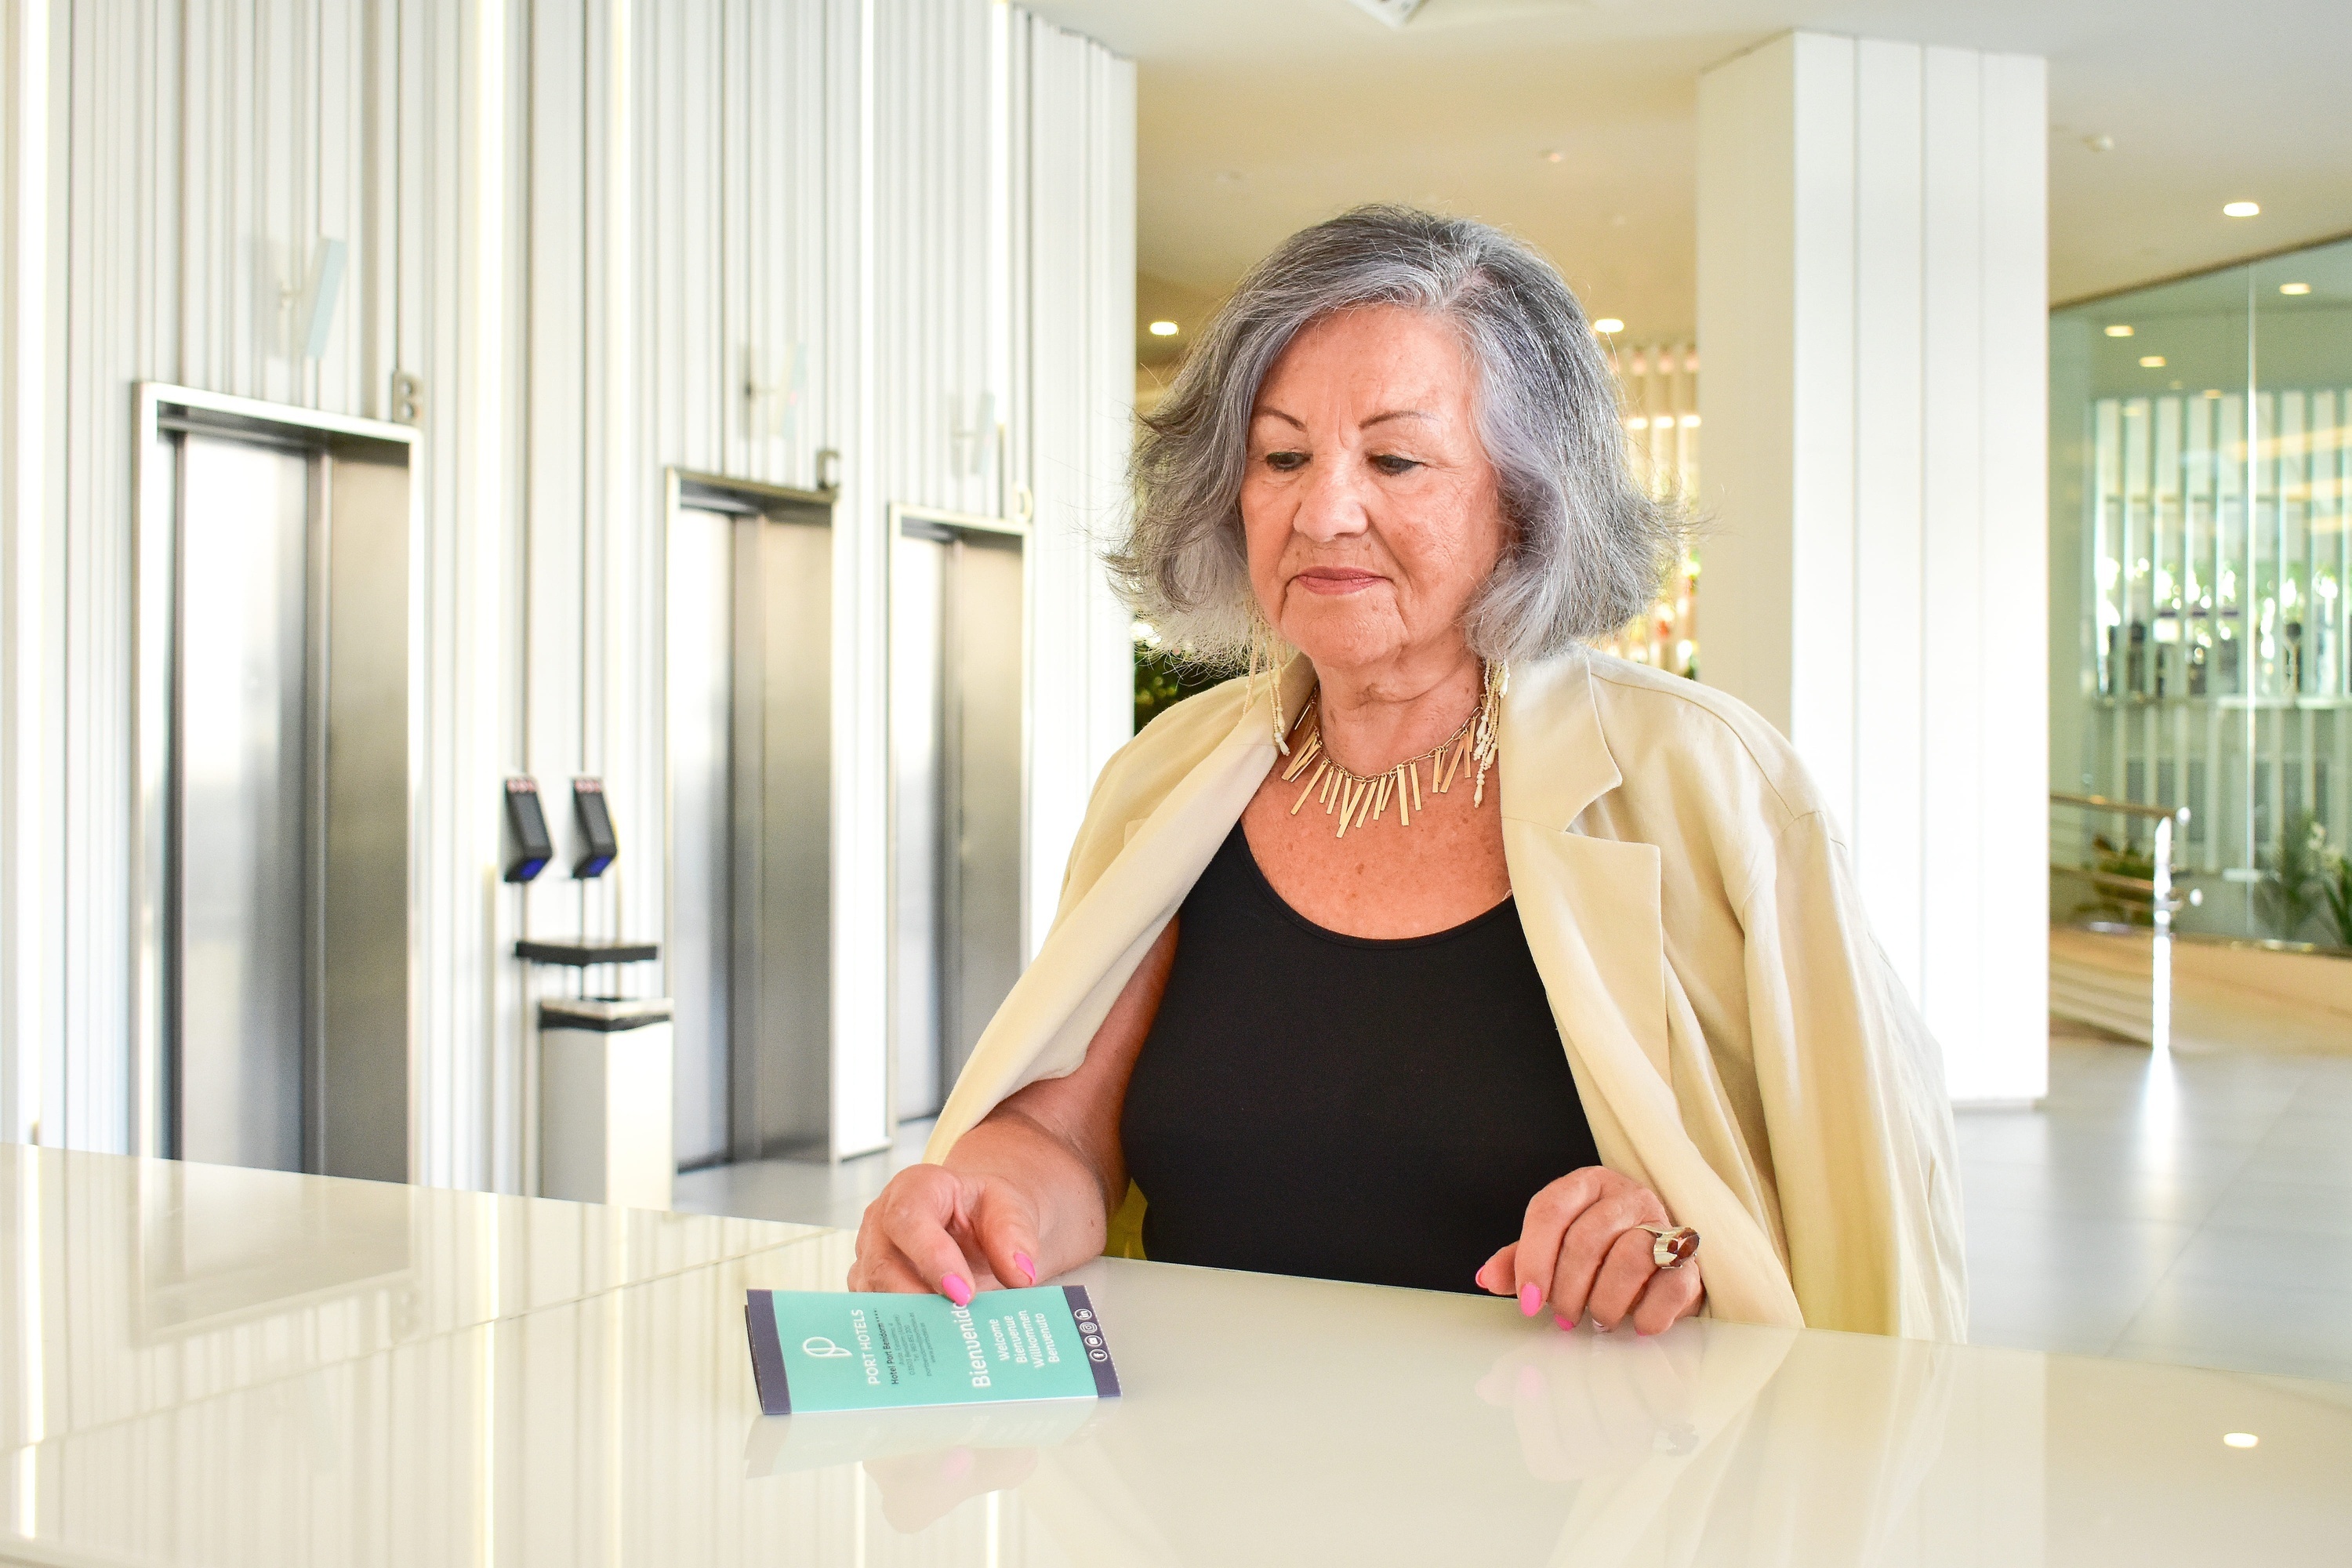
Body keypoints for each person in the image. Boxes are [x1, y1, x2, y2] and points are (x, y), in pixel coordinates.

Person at [852, 205, 1965, 1340]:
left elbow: (1855, 1224)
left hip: (1579, 1492)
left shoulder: (1709, 787)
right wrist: (980, 1203)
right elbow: (1062, 1139)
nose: (1324, 509)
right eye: (1282, 457)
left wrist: (1669, 1244)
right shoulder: (1167, 783)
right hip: (1202, 1488)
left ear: (1526, 505)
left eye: (1396, 457)